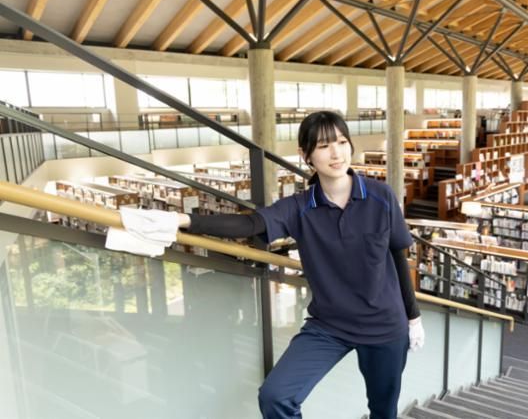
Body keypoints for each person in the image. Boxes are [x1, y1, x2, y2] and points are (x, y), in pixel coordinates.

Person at [126, 111, 425, 419]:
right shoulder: (299, 207)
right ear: (305, 155)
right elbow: (250, 225)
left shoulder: (380, 196)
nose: (336, 153)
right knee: (276, 396)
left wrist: (413, 317)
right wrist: (181, 219)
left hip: (384, 326)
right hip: (330, 325)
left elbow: (397, 255)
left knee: (383, 411)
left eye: (341, 142)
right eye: (324, 146)